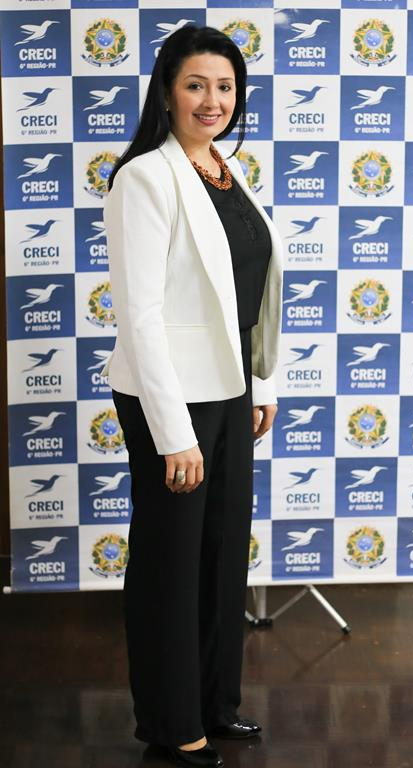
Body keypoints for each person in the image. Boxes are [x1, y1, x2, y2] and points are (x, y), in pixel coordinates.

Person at [102, 24, 283, 768]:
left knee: (220, 554)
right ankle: (173, 723)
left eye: (226, 86)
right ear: (167, 93)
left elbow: (246, 292)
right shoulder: (145, 177)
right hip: (169, 397)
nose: (213, 100)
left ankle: (215, 703)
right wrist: (173, 432)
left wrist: (261, 381)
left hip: (230, 388)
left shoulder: (225, 170)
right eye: (196, 85)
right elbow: (140, 316)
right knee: (170, 564)